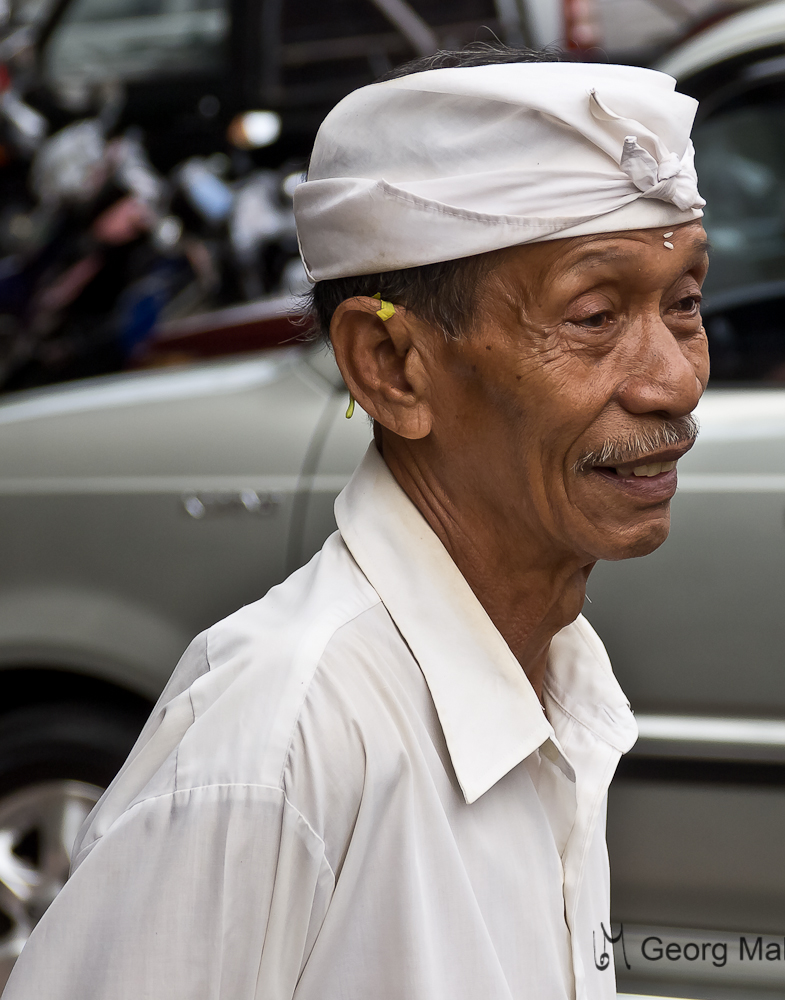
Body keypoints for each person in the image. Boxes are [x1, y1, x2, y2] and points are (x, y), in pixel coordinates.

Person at [2, 45, 709, 1000]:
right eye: (592, 315)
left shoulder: (548, 681)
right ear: (389, 366)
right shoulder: (276, 745)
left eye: (685, 304)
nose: (673, 378)